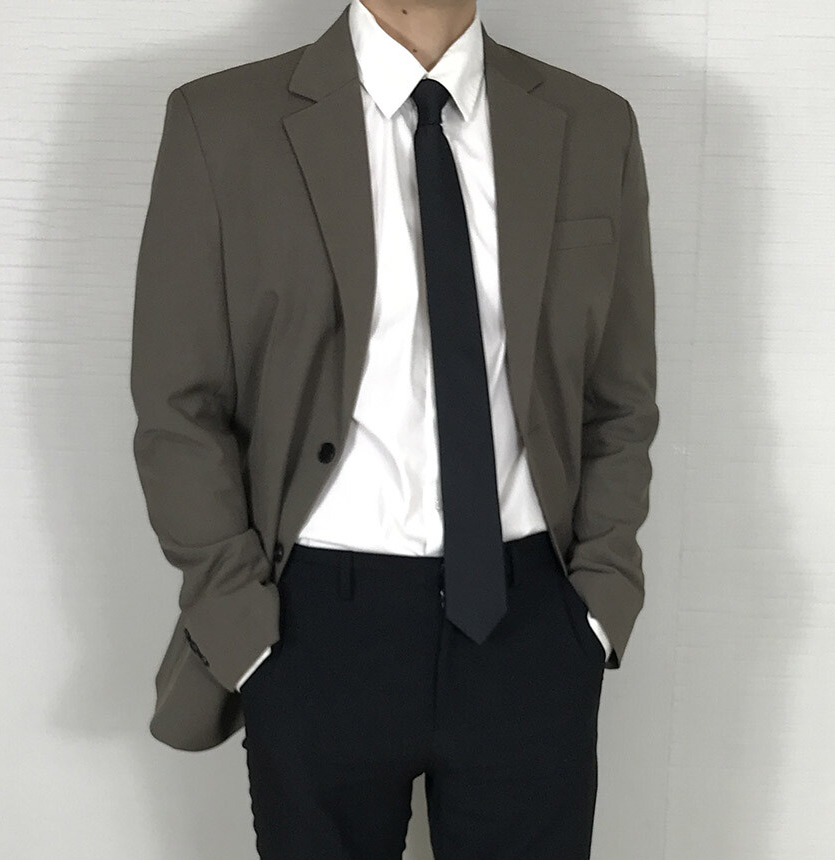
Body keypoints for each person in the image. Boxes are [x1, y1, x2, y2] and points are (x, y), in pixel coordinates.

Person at [130, 0, 659, 856]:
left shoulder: (595, 126)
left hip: (531, 621)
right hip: (313, 630)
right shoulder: (220, 125)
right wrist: (240, 623)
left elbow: (620, 394)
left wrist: (599, 600)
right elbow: (178, 406)